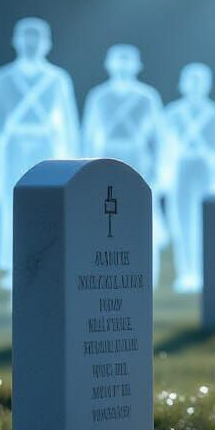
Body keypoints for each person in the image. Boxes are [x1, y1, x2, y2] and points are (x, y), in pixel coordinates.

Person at [0, 18, 79, 290]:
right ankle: (12, 263)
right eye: (25, 37)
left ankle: (47, 259)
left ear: (47, 44)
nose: (30, 43)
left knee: (45, 203)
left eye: (36, 38)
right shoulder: (2, 78)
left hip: (45, 146)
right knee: (11, 202)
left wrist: (72, 159)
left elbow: (69, 123)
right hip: (12, 146)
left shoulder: (58, 79)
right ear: (15, 41)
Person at [82, 44, 167, 287]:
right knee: (105, 217)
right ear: (108, 64)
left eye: (128, 60)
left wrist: (159, 170)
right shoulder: (98, 96)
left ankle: (147, 274)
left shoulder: (147, 97)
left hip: (138, 158)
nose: (122, 65)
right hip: (105, 158)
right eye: (118, 59)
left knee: (142, 216)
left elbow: (157, 138)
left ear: (137, 65)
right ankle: (106, 272)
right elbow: (88, 135)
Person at [162, 62, 215, 293]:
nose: (196, 86)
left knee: (204, 222)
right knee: (181, 221)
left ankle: (201, 271)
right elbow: (165, 147)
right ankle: (186, 271)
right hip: (181, 168)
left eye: (201, 81)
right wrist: (164, 177)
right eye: (191, 80)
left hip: (205, 169)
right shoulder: (172, 113)